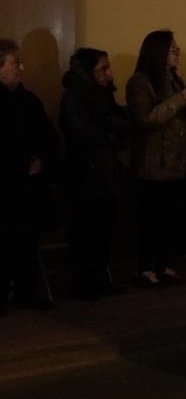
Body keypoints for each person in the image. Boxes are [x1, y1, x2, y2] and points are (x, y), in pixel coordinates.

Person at [126, 30, 186, 286]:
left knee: (170, 218)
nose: (177, 54)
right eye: (173, 49)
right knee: (151, 218)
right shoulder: (141, 82)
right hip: (153, 163)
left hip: (176, 162)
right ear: (158, 53)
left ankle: (164, 264)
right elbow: (147, 118)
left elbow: (184, 120)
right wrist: (181, 100)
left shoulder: (176, 81)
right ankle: (146, 267)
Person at [60, 47, 131, 299]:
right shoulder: (73, 97)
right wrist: (110, 132)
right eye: (103, 69)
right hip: (85, 173)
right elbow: (85, 133)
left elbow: (120, 123)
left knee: (103, 229)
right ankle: (83, 283)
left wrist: (109, 128)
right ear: (89, 71)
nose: (109, 74)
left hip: (105, 171)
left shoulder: (101, 95)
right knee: (85, 231)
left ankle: (100, 279)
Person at [0, 39, 59, 314]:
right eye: (15, 62)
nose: (21, 68)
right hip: (6, 185)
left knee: (26, 242)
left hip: (27, 187)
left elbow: (47, 136)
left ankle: (27, 292)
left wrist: (40, 158)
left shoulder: (29, 100)